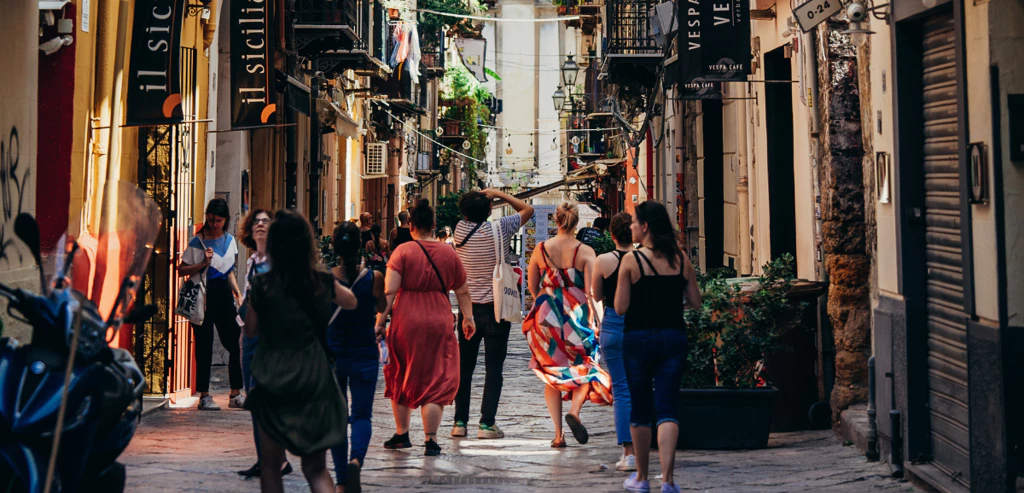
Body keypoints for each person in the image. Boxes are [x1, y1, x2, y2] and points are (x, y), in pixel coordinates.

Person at [243, 210, 358, 493]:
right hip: (313, 375)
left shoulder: (262, 285)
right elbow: (351, 302)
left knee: (270, 468)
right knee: (316, 468)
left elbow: (250, 330)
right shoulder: (320, 281)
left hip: (272, 377)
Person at [614, 201, 701, 493]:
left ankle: (640, 478)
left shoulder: (631, 261)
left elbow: (621, 307)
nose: (632, 227)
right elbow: (695, 301)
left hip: (637, 338)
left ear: (646, 226)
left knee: (639, 407)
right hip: (673, 336)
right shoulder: (681, 260)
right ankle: (668, 481)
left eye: (635, 223)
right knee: (667, 407)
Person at [377, 199, 475, 457]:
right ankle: (431, 439)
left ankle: (402, 434)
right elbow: (463, 290)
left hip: (406, 320)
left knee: (401, 371)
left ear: (411, 226)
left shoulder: (402, 252)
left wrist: (378, 322)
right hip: (438, 318)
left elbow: (389, 292)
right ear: (433, 225)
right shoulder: (449, 253)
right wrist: (468, 318)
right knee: (437, 374)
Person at [522, 201, 611, 448]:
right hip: (576, 315)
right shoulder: (585, 252)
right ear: (576, 222)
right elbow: (592, 291)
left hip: (547, 316)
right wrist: (600, 321)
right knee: (586, 365)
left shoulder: (541, 249)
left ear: (556, 220)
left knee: (551, 373)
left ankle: (558, 435)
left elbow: (531, 285)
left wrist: (546, 298)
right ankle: (575, 411)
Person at [451, 188, 534, 440]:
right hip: (497, 309)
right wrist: (500, 194)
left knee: (464, 368)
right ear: (489, 210)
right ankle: (486, 424)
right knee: (493, 369)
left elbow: (469, 214)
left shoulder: (459, 230)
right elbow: (527, 210)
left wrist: (483, 204)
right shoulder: (501, 228)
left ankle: (459, 422)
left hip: (468, 311)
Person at [328, 222, 386, 493]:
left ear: (334, 247)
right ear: (361, 246)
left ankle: (341, 482)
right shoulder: (373, 278)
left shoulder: (327, 279)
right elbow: (382, 306)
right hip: (364, 352)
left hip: (335, 355)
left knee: (337, 418)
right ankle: (356, 461)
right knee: (362, 415)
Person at [235, 209, 293, 479]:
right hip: (250, 338)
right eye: (255, 221)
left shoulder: (280, 261)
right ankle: (270, 459)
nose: (259, 225)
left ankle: (274, 461)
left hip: (272, 339)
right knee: (256, 401)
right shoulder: (252, 261)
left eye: (265, 221)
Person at [177, 198, 245, 411]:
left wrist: (237, 292)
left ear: (225, 220)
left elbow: (229, 272)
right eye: (211, 219)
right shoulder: (197, 242)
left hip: (224, 294)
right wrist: (202, 263)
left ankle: (235, 393)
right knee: (204, 345)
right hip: (203, 296)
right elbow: (182, 269)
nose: (214, 223)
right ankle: (204, 396)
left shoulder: (230, 241)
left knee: (235, 342)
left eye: (218, 220)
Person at [588, 212, 636, 471]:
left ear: (612, 234)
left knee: (621, 390)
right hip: (639, 327)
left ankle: (628, 452)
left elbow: (596, 293)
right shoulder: (642, 260)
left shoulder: (603, 260)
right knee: (641, 387)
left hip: (614, 327)